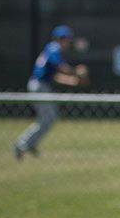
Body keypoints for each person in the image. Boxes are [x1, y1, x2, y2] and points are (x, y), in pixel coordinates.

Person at [13, 25, 89, 160]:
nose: (68, 43)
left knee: (48, 119)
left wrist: (72, 81)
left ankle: (27, 144)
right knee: (48, 119)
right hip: (39, 86)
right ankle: (22, 144)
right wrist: (76, 72)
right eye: (67, 40)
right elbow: (61, 67)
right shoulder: (54, 48)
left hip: (41, 86)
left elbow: (55, 76)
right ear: (62, 39)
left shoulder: (51, 49)